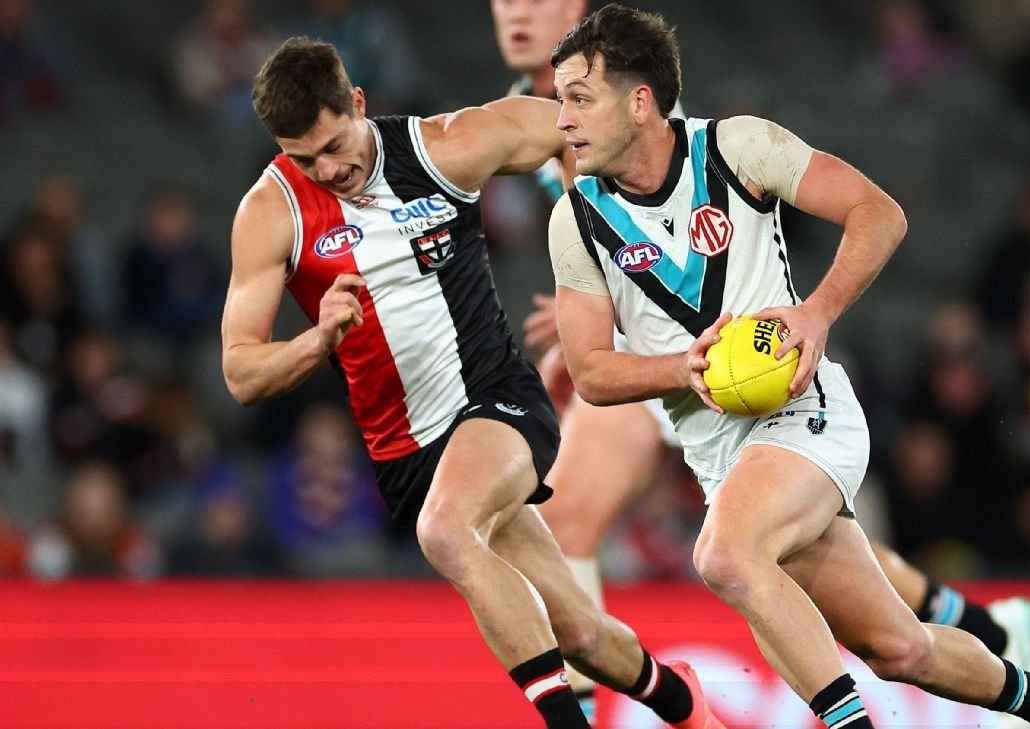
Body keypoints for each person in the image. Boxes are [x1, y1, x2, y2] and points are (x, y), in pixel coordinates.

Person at [494, 2, 1030, 726]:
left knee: (723, 551)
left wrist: (816, 312)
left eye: (579, 100)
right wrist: (678, 367)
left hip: (800, 407)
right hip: (712, 441)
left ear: (639, 103)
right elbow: (593, 372)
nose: (561, 122)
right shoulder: (573, 216)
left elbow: (880, 213)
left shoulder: (735, 148)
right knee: (898, 648)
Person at [221, 37, 726, 729]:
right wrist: (317, 339)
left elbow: (575, 130)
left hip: (495, 399)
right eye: (305, 158)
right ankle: (685, 703)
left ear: (358, 104)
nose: (328, 170)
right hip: (404, 452)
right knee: (580, 632)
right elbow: (240, 371)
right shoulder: (270, 211)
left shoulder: (444, 148)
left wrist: (593, 264)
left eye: (335, 145)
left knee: (447, 529)